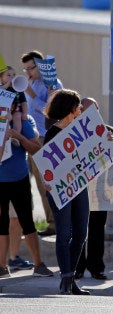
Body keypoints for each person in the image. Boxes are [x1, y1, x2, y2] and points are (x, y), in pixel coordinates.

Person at [43, 89, 95, 294]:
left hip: (79, 186)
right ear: (70, 108)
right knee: (64, 233)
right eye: (78, 106)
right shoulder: (52, 133)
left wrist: (105, 139)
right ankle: (66, 278)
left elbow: (94, 150)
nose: (81, 108)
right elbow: (46, 164)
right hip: (59, 189)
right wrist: (47, 180)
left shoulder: (82, 129)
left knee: (81, 232)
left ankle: (70, 277)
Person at [0, 99, 53, 279]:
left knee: (27, 222)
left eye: (16, 104)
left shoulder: (24, 122)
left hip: (19, 180)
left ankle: (38, 264)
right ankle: (2, 266)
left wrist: (19, 137)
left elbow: (37, 150)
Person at [75, 97, 113, 280]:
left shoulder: (111, 132)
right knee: (78, 229)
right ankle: (77, 267)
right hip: (78, 190)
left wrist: (112, 141)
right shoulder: (70, 135)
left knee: (97, 229)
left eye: (96, 109)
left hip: (100, 191)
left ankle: (96, 267)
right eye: (87, 110)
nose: (93, 113)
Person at [21, 50, 63, 237]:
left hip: (45, 137)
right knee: (31, 182)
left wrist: (32, 95)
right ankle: (33, 222)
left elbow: (52, 109)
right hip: (29, 136)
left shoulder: (53, 83)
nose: (28, 72)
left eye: (31, 67)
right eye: (26, 69)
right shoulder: (29, 83)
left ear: (40, 66)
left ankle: (54, 222)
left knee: (45, 180)